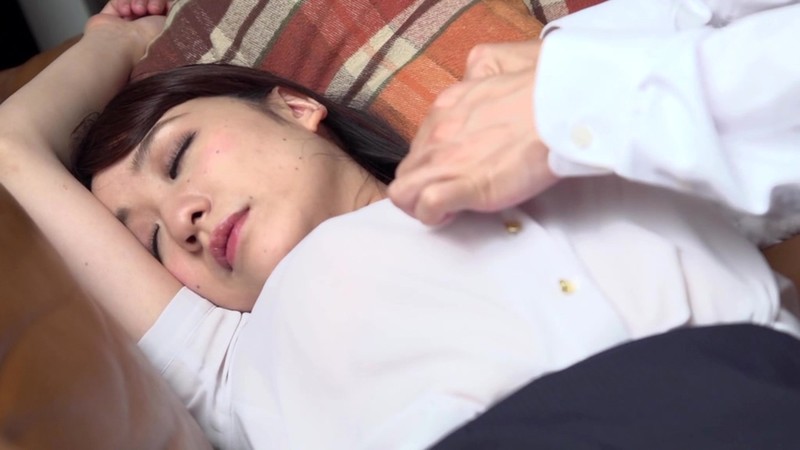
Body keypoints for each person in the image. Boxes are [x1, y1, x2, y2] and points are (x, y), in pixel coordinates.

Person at [0, 2, 798, 450]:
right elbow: (10, 150)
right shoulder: (230, 362)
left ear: (295, 106)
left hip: (749, 398)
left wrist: (569, 105)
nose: (182, 219)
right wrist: (121, 39)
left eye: (177, 157)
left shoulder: (559, 87)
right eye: (147, 242)